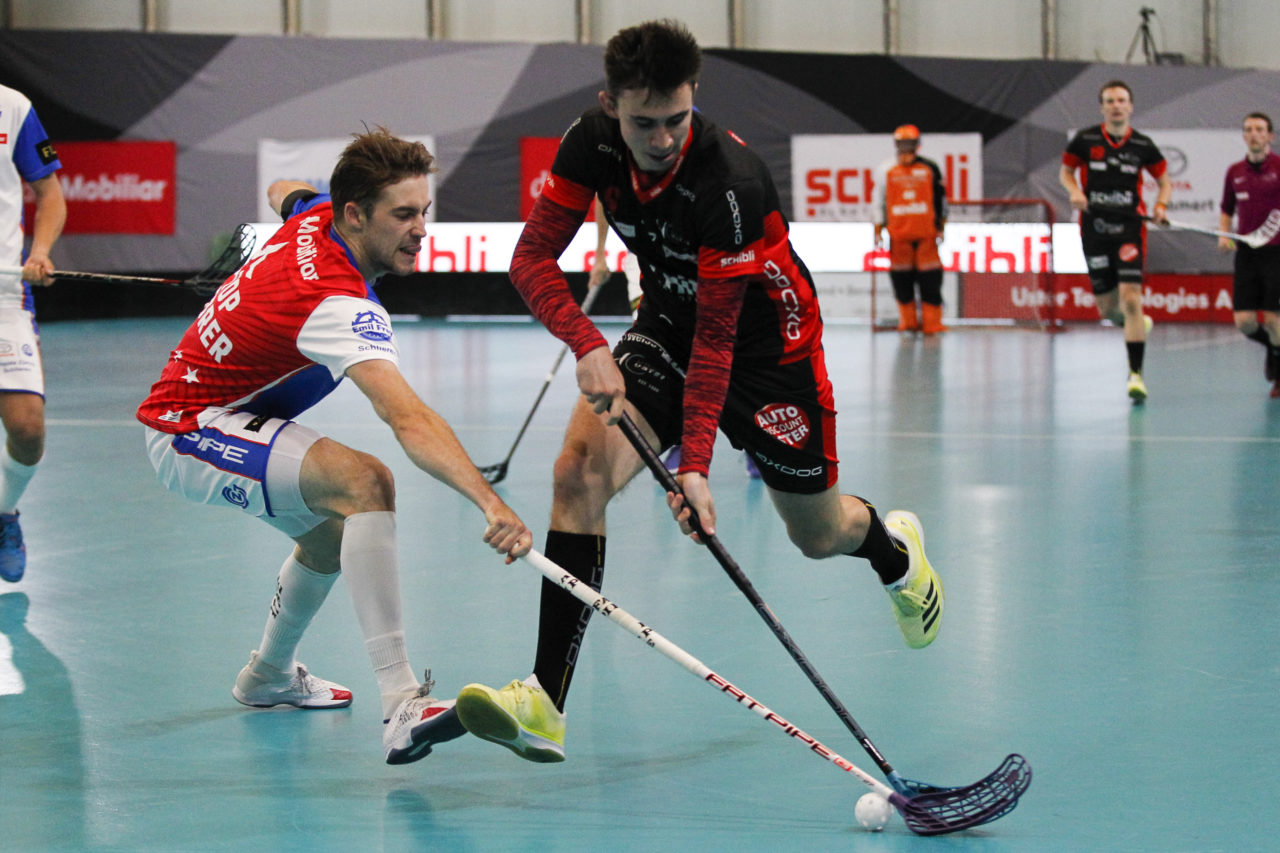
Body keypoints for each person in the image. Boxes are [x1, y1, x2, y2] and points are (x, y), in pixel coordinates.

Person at [452, 19, 944, 764]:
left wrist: (693, 467)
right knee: (577, 471)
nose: (661, 137)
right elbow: (531, 260)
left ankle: (892, 549)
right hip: (669, 322)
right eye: (642, 121)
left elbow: (720, 343)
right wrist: (586, 342)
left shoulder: (730, 182)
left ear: (695, 99)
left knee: (816, 535)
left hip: (770, 351)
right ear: (610, 105)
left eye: (676, 118)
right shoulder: (590, 143)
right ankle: (545, 699)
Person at [136, 128, 532, 765]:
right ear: (355, 212)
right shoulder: (337, 303)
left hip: (227, 415)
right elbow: (410, 421)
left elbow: (282, 191)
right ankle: (403, 702)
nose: (420, 229)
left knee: (327, 533)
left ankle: (267, 676)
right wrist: (490, 503)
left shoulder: (316, 213)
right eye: (403, 215)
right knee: (365, 483)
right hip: (186, 428)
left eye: (424, 211)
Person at [1059, 79, 1171, 404]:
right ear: (1102, 107)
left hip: (1129, 229)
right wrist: (1075, 191)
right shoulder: (1086, 140)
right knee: (1108, 310)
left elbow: (1163, 181)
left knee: (1131, 298)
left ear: (1130, 106)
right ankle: (1137, 323)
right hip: (1093, 229)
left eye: (1121, 100)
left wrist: (1160, 207)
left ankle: (1135, 374)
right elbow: (1065, 172)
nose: (1116, 105)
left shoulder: (1143, 145)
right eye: (1110, 101)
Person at [0, 83, 66, 583]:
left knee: (27, 428)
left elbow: (50, 195)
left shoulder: (13, 106)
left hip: (5, 294)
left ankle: (4, 513)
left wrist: (40, 251)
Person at [1218, 111, 1280, 397]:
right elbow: (1226, 209)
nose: (1254, 134)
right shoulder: (1234, 172)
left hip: (1276, 254)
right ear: (1244, 136)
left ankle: (1279, 377)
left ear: (1270, 136)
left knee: (1274, 320)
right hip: (1246, 254)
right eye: (1249, 129)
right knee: (1244, 322)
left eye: (1259, 129)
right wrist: (1223, 233)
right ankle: (1273, 347)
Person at [873, 124, 948, 335]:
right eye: (902, 143)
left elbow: (941, 199)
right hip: (898, 237)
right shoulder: (886, 170)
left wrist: (941, 226)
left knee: (931, 280)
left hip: (927, 236)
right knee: (901, 281)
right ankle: (907, 323)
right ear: (896, 145)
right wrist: (878, 228)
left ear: (917, 144)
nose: (906, 148)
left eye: (910, 143)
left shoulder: (930, 168)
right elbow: (878, 201)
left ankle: (933, 324)